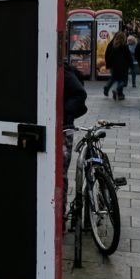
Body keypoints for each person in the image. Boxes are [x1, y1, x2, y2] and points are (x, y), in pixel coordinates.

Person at [63, 61, 88, 212]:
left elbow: (80, 93)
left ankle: (62, 214)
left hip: (63, 128)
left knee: (60, 173)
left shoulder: (62, 71)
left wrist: (64, 114)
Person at [106, 32, 131, 100]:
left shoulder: (113, 45)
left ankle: (107, 87)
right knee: (123, 81)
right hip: (123, 67)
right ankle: (118, 91)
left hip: (114, 66)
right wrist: (131, 65)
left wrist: (108, 64)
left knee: (113, 78)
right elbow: (128, 57)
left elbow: (108, 55)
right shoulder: (125, 46)